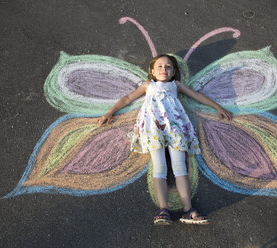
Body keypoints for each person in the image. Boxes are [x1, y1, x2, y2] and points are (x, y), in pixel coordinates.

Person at [97, 54, 232, 225]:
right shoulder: (148, 85)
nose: (164, 69)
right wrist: (109, 112)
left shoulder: (176, 85)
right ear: (152, 71)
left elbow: (197, 96)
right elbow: (128, 98)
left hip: (175, 128)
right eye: (160, 66)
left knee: (180, 167)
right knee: (159, 167)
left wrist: (217, 107)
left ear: (174, 72)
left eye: (168, 67)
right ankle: (163, 210)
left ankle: (188, 210)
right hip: (153, 129)